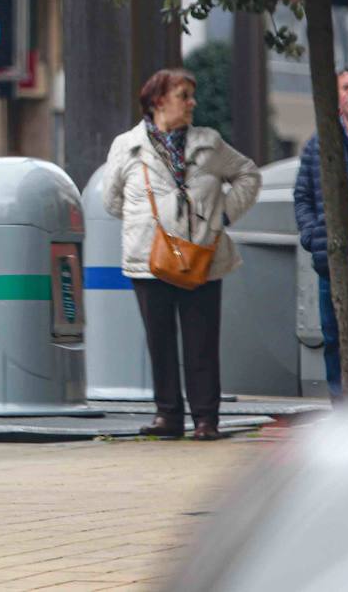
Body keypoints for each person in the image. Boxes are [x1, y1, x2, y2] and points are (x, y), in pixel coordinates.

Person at [104, 68, 260, 441]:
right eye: (183, 95)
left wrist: (223, 215)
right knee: (159, 341)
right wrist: (147, 220)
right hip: (148, 259)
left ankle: (206, 419)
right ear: (158, 100)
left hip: (202, 257)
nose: (192, 103)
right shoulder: (126, 146)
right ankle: (168, 416)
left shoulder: (209, 143)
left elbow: (248, 175)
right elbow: (112, 201)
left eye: (191, 95)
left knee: (202, 342)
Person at [294, 64, 348, 401]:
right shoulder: (319, 143)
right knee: (334, 338)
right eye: (346, 88)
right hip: (332, 261)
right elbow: (302, 196)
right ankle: (343, 411)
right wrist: (314, 236)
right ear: (337, 96)